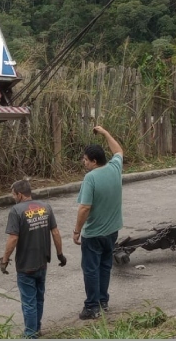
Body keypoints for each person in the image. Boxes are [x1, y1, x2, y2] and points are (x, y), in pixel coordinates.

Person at [0, 179, 67, 339]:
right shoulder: (46, 207)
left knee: (29, 302)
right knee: (38, 298)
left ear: (20, 194)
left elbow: (13, 239)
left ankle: (30, 335)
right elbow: (56, 232)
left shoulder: (16, 211)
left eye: (13, 194)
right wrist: (60, 254)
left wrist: (4, 260)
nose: (13, 197)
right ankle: (36, 328)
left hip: (26, 265)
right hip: (42, 263)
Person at [73, 125, 123, 320]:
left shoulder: (91, 178)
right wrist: (105, 133)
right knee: (105, 267)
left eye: (85, 159)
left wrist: (77, 230)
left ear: (94, 161)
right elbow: (118, 150)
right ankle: (103, 301)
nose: (83, 162)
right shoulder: (114, 167)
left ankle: (92, 307)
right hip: (112, 231)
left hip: (93, 234)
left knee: (91, 270)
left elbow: (85, 207)